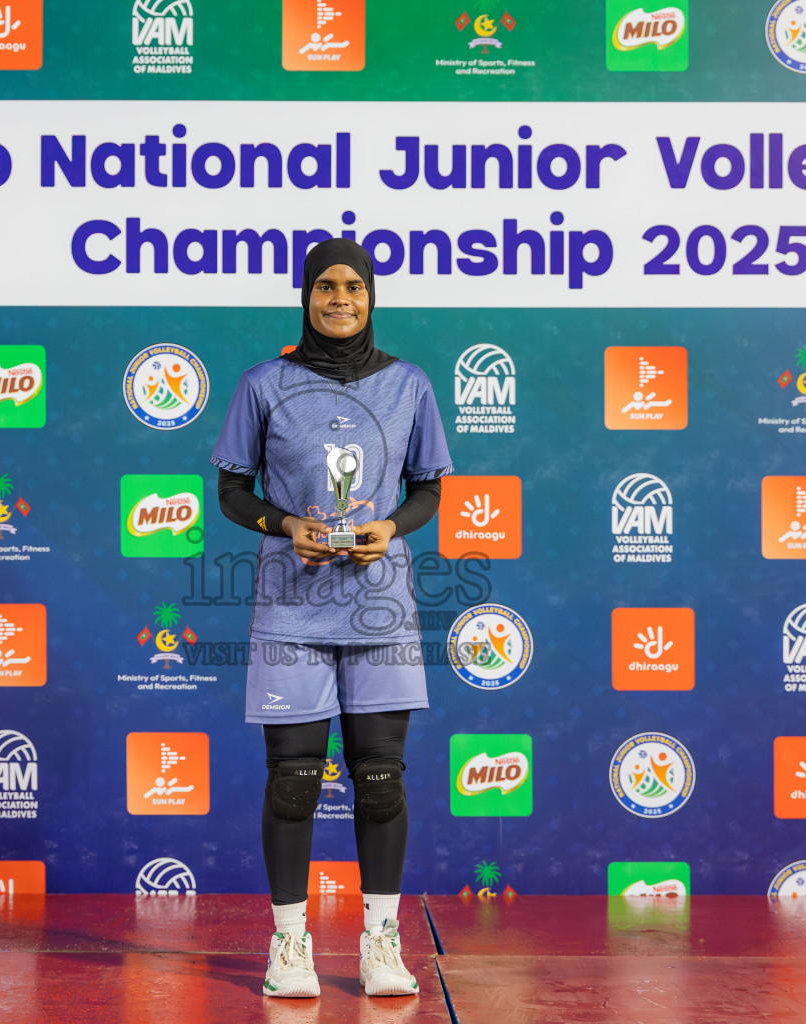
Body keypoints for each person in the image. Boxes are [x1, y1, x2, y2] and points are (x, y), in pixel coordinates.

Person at [211, 238, 452, 999]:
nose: (340, 298)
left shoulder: (409, 385)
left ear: (372, 296)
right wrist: (286, 527)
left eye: (354, 285)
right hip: (291, 611)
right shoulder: (263, 384)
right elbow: (231, 492)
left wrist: (391, 529)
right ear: (304, 296)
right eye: (325, 286)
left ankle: (381, 940)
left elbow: (427, 490)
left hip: (379, 609)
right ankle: (290, 945)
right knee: (292, 783)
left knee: (380, 782)